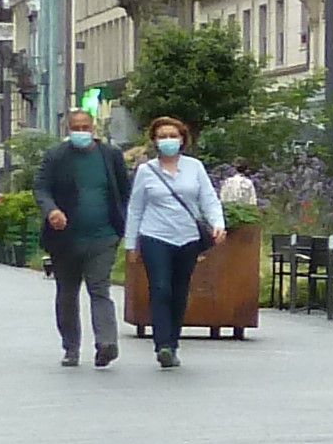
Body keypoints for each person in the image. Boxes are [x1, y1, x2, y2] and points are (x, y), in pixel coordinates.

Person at [122, 114, 227, 368]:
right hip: (155, 236)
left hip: (187, 237)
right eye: (162, 136)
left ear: (182, 140)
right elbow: (135, 208)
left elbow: (208, 199)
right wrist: (130, 245)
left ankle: (174, 340)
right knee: (160, 288)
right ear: (155, 141)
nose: (168, 140)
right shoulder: (146, 171)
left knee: (179, 290)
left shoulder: (195, 168)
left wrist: (218, 223)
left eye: (173, 136)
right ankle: (163, 345)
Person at [35, 108, 131, 368]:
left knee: (99, 289)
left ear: (94, 128)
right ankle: (71, 347)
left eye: (85, 127)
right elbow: (41, 188)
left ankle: (106, 343)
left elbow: (124, 190)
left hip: (103, 236)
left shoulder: (110, 155)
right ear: (68, 130)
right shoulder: (55, 156)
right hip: (65, 240)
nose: (81, 132)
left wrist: (121, 225)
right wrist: (52, 210)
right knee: (67, 293)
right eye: (75, 128)